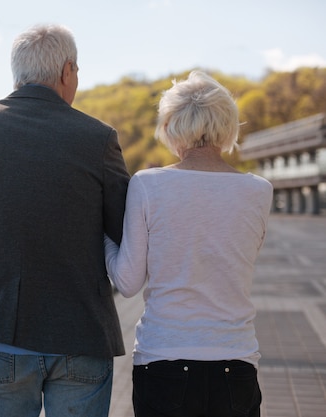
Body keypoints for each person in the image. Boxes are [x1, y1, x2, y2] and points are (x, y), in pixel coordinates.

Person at [0, 23, 130, 417]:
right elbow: (126, 234)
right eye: (78, 72)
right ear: (67, 71)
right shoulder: (98, 138)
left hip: (0, 332)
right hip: (81, 335)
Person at [104, 71, 272, 417]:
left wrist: (103, 239)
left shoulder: (148, 185)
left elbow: (128, 281)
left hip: (163, 360)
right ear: (228, 126)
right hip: (235, 359)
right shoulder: (259, 191)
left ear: (169, 126)